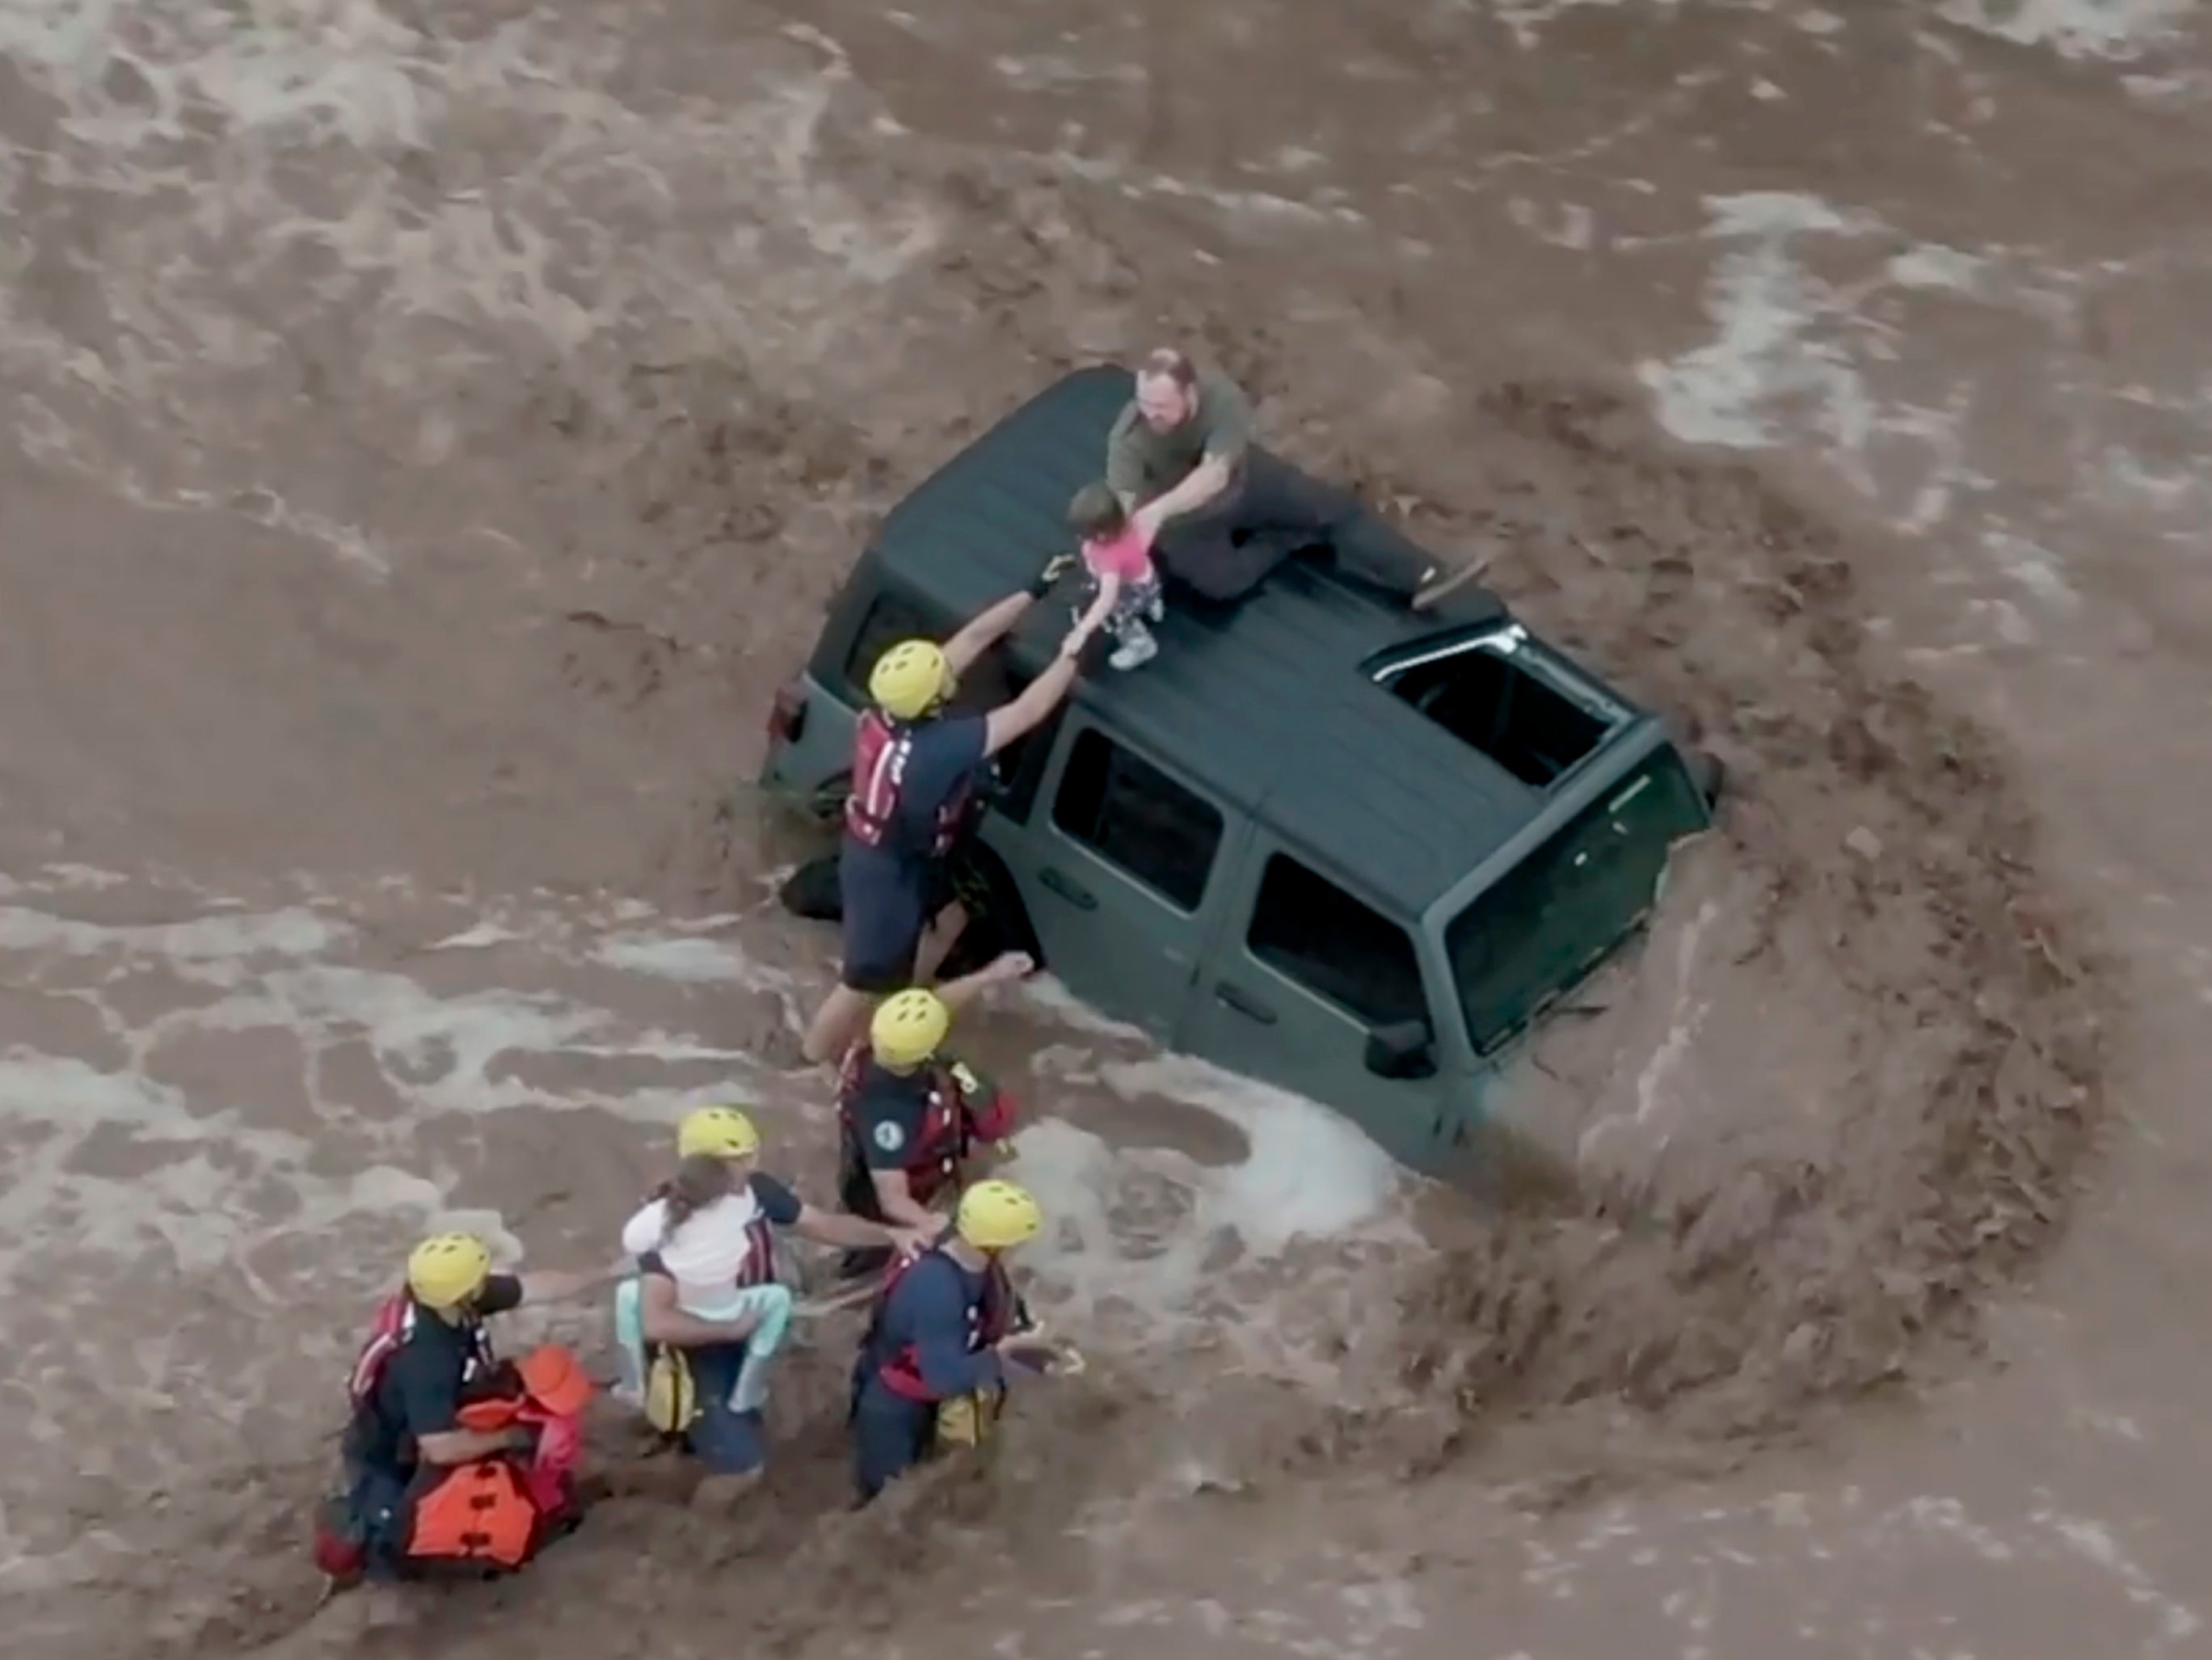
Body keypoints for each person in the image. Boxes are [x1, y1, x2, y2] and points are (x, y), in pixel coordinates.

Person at [801, 579, 1088, 1065]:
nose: (948, 668)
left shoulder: (887, 711)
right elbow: (1030, 710)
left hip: (895, 848)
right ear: (931, 701)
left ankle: (907, 1001)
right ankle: (809, 1059)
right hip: (884, 875)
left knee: (950, 917)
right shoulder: (937, 751)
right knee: (860, 979)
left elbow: (973, 639)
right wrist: (1077, 652)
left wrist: (1034, 590)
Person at [611, 1103, 929, 1508]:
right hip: (694, 1353)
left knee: (727, 1421)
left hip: (741, 1326)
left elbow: (823, 1225)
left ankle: (685, 1440)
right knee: (743, 1469)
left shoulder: (755, 1191)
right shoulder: (668, 1232)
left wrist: (893, 1235)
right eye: (741, 1160)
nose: (752, 1165)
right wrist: (731, 1330)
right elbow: (657, 1322)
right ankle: (694, 1522)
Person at [317, 1233, 623, 1586]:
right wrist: (516, 1436)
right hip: (391, 1454)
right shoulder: (426, 1360)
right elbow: (440, 1447)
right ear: (460, 1296)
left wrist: (605, 1273)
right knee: (393, 1545)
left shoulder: (441, 1298)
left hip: (422, 1420)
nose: (484, 1286)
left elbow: (534, 1288)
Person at [1106, 347, 1452, 605]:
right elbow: (1123, 502)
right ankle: (1286, 538)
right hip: (1186, 525)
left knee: (1337, 510)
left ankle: (1420, 576)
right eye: (1143, 402)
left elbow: (1214, 474)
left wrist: (1157, 510)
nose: (1150, 413)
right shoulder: (1128, 438)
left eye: (1160, 406)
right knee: (1223, 587)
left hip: (1242, 482)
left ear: (1191, 393)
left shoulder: (1221, 397)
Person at [849, 1178, 1064, 1504]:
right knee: (890, 1503)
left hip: (930, 1384)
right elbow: (944, 1379)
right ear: (996, 1245)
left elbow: (1003, 1316)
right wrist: (1003, 1355)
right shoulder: (937, 1288)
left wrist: (1039, 1354)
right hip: (892, 1405)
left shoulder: (979, 1262)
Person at [834, 954, 1032, 1277]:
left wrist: (989, 975)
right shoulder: (889, 1115)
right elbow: (892, 1199)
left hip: (931, 1168)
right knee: (874, 1262)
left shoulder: (884, 1035)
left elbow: (934, 1005)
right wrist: (937, 1227)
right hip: (884, 1194)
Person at [1066, 481, 1167, 670]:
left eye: (1086, 534)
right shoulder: (1129, 521)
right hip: (1147, 577)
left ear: (1102, 535)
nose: (1080, 537)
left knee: (1119, 618)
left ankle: (1142, 645)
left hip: (1130, 590)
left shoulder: (1109, 559)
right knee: (1149, 592)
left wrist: (1082, 631)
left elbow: (1107, 599)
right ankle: (1154, 606)